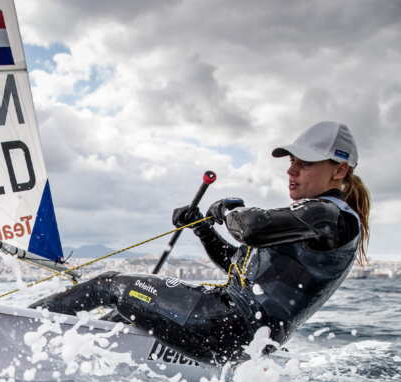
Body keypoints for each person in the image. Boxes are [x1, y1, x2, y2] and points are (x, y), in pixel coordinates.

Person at [29, 121, 370, 365]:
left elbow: (251, 228)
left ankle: (26, 327)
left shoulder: (330, 216)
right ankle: (72, 362)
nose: (291, 171)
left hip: (228, 322)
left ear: (339, 171)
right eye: (291, 162)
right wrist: (203, 229)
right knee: (127, 315)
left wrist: (227, 211)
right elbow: (240, 264)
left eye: (304, 164)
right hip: (243, 335)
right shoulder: (312, 219)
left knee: (110, 285)